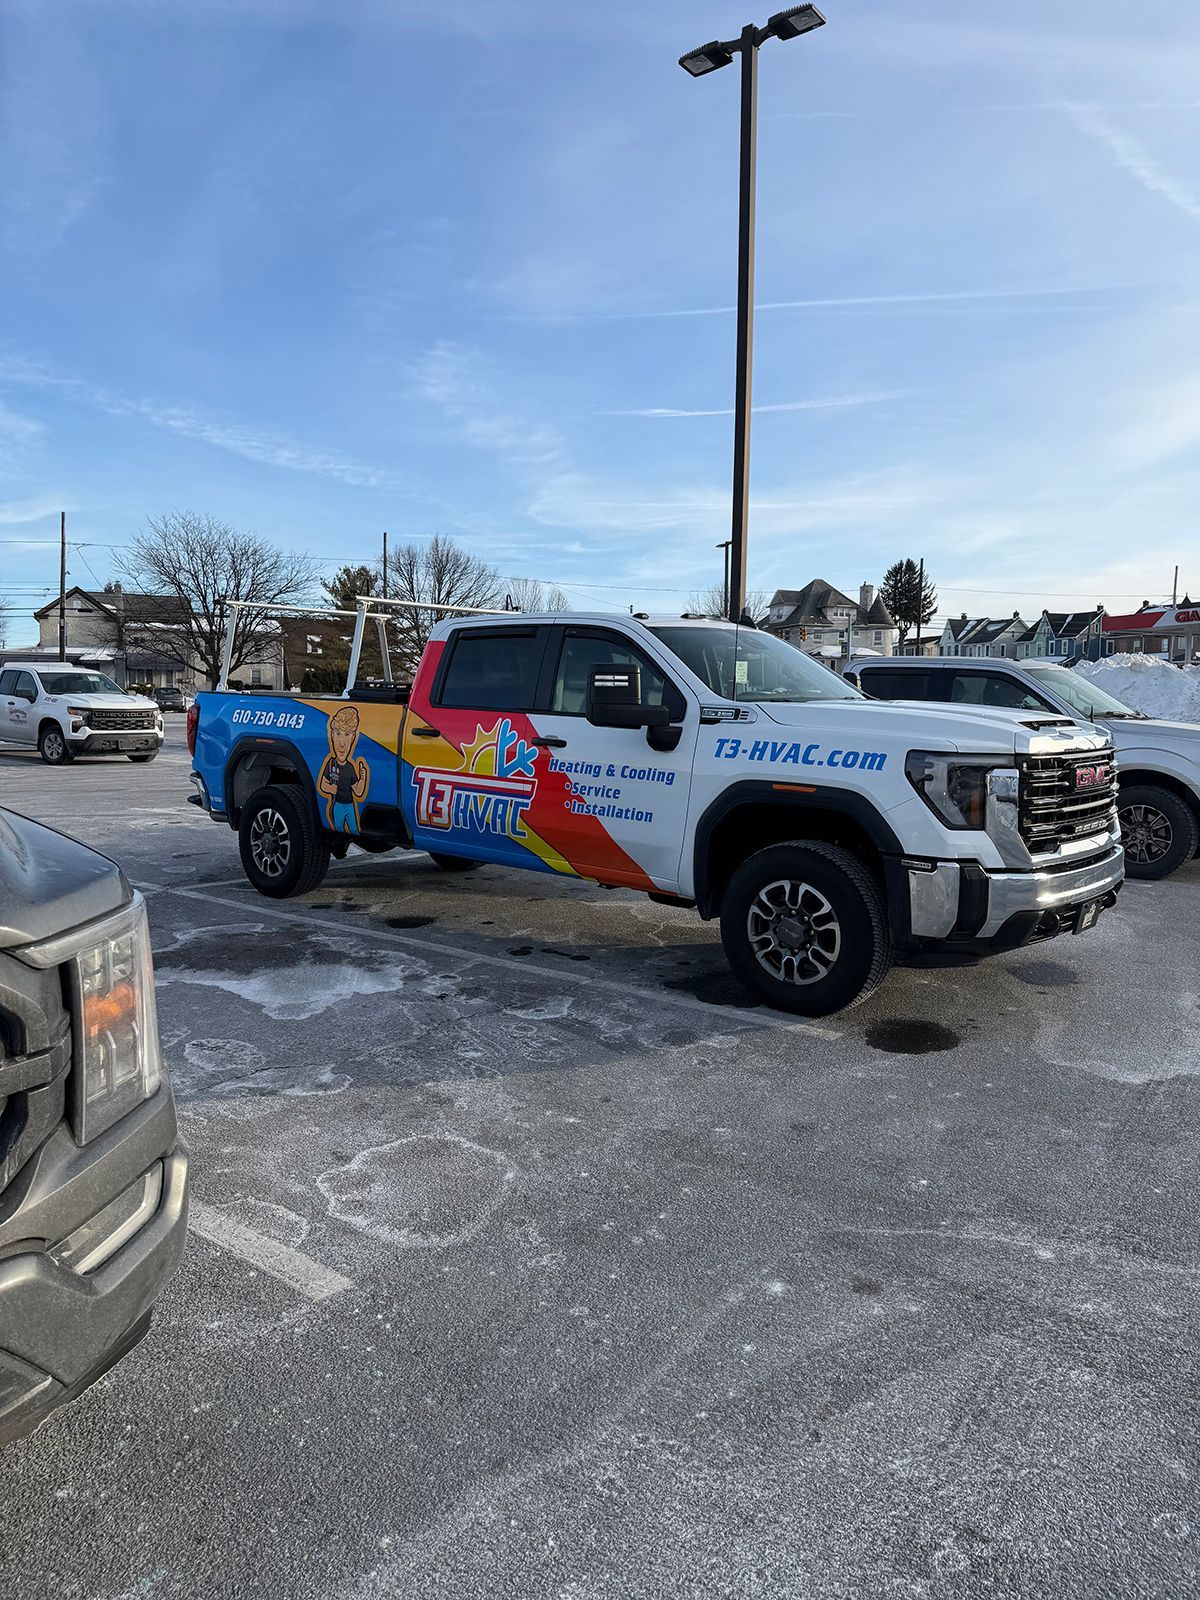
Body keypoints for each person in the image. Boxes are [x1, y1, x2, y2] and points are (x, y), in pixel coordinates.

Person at [317, 705, 369, 830]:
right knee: (338, 827)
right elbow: (323, 784)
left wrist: (362, 778)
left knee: (354, 828)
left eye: (346, 734)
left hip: (350, 805)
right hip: (338, 805)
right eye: (338, 734)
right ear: (332, 736)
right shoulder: (331, 763)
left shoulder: (350, 767)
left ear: (352, 738)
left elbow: (357, 791)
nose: (341, 743)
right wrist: (330, 788)